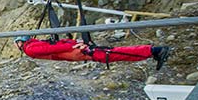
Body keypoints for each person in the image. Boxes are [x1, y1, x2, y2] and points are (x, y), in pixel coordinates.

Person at [14, 36, 170, 70]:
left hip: (76, 53)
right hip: (75, 51)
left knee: (113, 54)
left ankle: (154, 51)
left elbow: (54, 49)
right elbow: (56, 45)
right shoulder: (34, 44)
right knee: (112, 53)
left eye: (17, 43)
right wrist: (71, 43)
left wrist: (73, 45)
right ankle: (152, 52)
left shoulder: (30, 48)